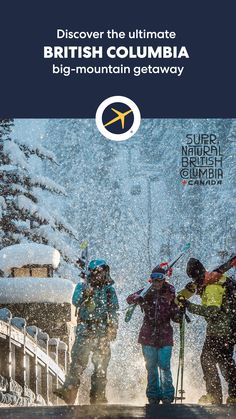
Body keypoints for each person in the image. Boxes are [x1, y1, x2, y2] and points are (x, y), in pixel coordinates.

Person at [54, 259, 119, 405]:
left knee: (101, 366)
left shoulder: (109, 290)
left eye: (102, 272)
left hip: (102, 332)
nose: (99, 275)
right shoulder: (82, 286)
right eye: (97, 272)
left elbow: (113, 311)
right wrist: (85, 293)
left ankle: (98, 396)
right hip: (84, 330)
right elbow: (75, 301)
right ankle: (69, 391)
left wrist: (113, 328)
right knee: (77, 363)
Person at [177, 257, 236, 405]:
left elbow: (212, 312)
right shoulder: (216, 280)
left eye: (194, 279)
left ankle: (214, 395)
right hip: (230, 330)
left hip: (219, 331)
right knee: (226, 361)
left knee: (207, 360)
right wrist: (182, 297)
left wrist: (189, 306)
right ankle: (234, 394)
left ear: (197, 276)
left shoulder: (211, 287)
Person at [126, 265, 180, 405]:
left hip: (165, 334)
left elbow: (174, 312)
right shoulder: (146, 291)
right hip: (148, 334)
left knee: (164, 365)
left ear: (164, 279)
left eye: (159, 279)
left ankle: (167, 395)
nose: (157, 282)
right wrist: (138, 298)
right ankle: (153, 395)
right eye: (154, 279)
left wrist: (179, 314)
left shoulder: (170, 291)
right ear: (151, 280)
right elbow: (129, 298)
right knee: (151, 366)